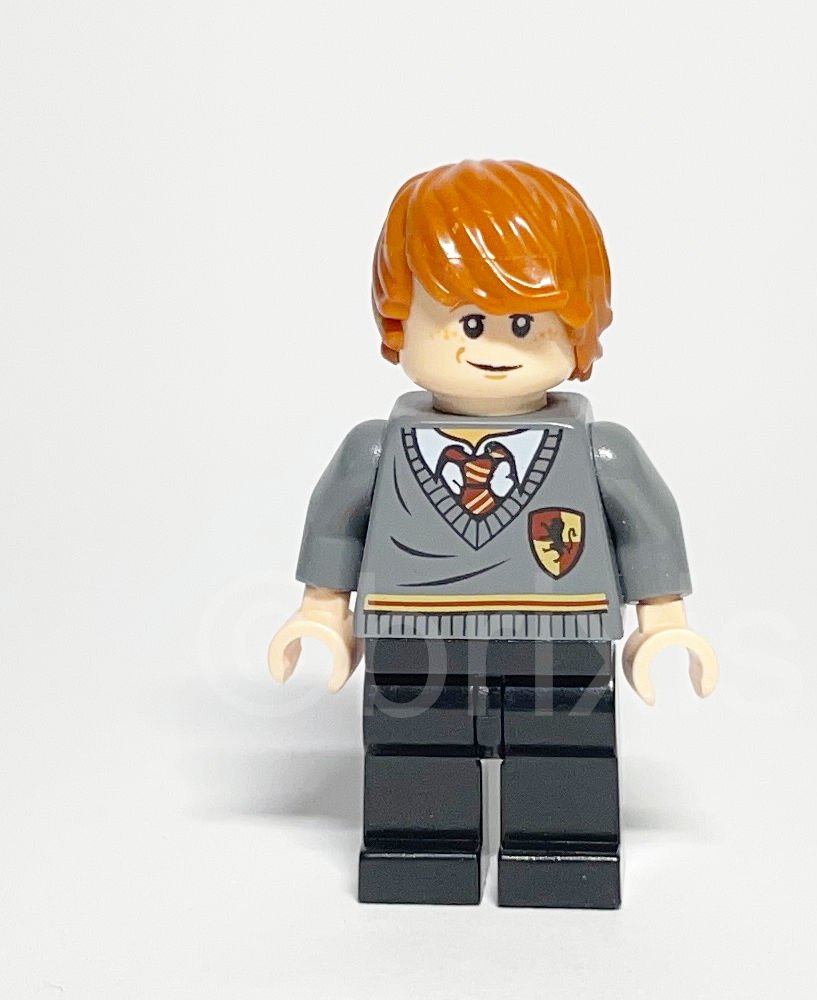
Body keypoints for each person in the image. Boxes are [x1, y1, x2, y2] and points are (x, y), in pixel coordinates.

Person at [268, 159, 717, 908]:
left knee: (563, 744)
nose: (495, 344)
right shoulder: (377, 449)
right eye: (468, 321)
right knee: (417, 744)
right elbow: (339, 522)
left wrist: (663, 622)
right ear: (398, 319)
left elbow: (646, 529)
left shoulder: (598, 451)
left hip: (562, 632)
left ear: (577, 327)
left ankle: (561, 853)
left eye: (526, 323)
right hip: (414, 630)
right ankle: (421, 850)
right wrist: (322, 613)